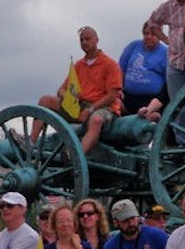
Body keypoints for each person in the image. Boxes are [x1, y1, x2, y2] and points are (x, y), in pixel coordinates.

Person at [33, 26, 122, 154]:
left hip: (103, 107)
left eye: (88, 39)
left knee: (96, 120)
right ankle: (30, 142)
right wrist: (68, 96)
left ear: (97, 40)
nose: (84, 42)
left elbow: (113, 94)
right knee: (45, 100)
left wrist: (90, 110)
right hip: (79, 106)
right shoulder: (79, 65)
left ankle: (75, 155)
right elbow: (61, 90)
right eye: (82, 40)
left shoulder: (110, 64)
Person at [118, 22, 169, 118]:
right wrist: (119, 89)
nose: (149, 36)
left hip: (151, 100)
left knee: (154, 117)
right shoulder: (133, 46)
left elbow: (168, 82)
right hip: (127, 97)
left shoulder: (166, 53)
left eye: (153, 34)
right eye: (146, 33)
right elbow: (121, 69)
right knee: (113, 104)